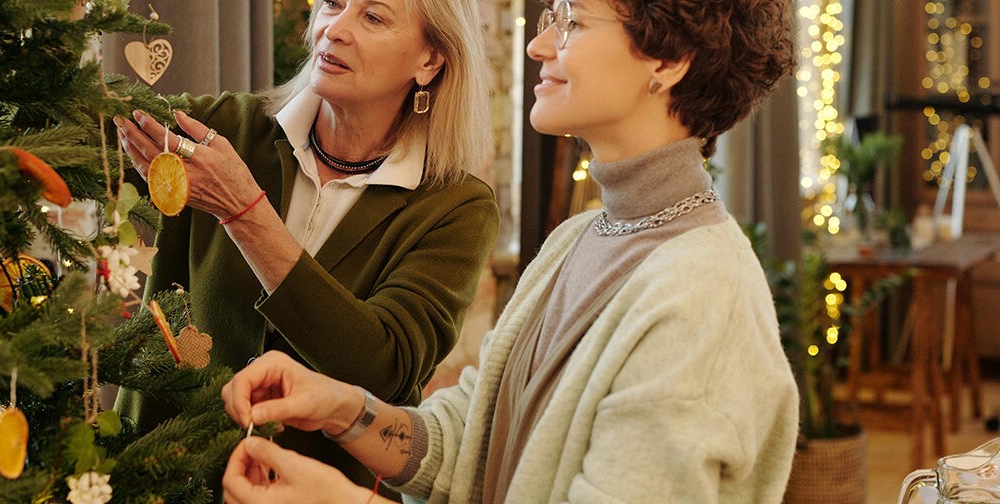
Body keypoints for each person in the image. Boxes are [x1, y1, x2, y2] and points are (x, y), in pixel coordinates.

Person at [219, 0, 800, 502]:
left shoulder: (702, 297)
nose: (539, 45)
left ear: (668, 62)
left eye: (571, 22)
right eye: (551, 18)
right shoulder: (582, 238)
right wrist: (345, 410)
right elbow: (475, 441)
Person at [111, 0, 499, 494]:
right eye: (334, 4)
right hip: (151, 478)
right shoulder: (226, 129)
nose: (335, 28)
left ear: (429, 61)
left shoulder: (455, 205)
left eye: (373, 17)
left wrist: (245, 213)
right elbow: (84, 133)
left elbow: (382, 369)